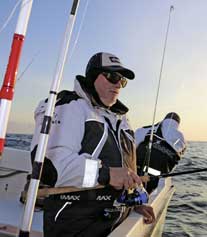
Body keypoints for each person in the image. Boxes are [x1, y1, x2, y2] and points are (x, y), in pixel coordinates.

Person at [30, 52, 155, 237]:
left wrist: (135, 200)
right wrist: (106, 174)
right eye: (112, 76)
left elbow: (127, 168)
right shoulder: (70, 106)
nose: (118, 84)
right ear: (93, 76)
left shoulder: (121, 119)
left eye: (122, 80)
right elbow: (49, 166)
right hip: (76, 226)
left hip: (115, 223)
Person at [135, 112, 186, 192]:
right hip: (157, 179)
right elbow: (178, 157)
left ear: (164, 119)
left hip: (135, 174)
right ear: (177, 124)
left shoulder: (143, 129)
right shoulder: (181, 138)